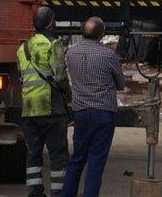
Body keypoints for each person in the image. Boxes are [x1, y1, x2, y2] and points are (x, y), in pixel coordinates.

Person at [61, 16, 125, 197]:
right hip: (104, 113)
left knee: (77, 159)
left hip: (80, 113)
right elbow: (120, 84)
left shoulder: (71, 53)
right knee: (96, 162)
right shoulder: (109, 55)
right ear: (102, 34)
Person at [16, 6, 71, 197]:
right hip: (51, 108)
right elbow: (60, 76)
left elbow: (22, 77)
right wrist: (68, 92)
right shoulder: (53, 44)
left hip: (29, 109)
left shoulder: (23, 48)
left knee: (33, 154)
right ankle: (59, 192)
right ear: (51, 23)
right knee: (58, 155)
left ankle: (35, 193)